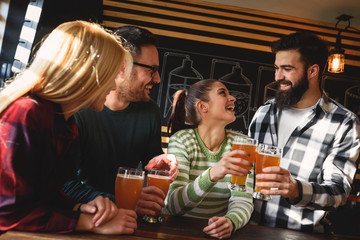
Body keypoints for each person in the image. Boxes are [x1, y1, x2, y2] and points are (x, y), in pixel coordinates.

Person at [0, 20, 139, 234]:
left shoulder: (65, 122)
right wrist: (88, 223)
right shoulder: (26, 112)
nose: (113, 86)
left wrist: (80, 208)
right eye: (111, 75)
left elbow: (45, 195)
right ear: (87, 73)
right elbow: (7, 213)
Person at [248, 31, 360, 232]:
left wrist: (296, 190)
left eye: (287, 69)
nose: (278, 76)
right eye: (276, 68)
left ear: (312, 70)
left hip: (301, 235)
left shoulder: (343, 122)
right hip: (250, 230)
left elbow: (338, 194)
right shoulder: (264, 112)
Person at [63, 25, 177, 218]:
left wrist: (162, 164)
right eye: (152, 70)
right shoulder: (77, 111)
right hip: (83, 217)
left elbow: (151, 164)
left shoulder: (150, 111)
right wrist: (124, 202)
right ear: (123, 66)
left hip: (128, 219)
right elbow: (63, 184)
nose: (157, 79)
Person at [165, 79, 254, 239]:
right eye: (222, 93)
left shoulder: (243, 145)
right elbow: (173, 205)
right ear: (202, 106)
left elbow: (242, 200)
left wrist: (230, 221)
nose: (233, 98)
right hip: (177, 232)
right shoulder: (182, 141)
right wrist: (213, 174)